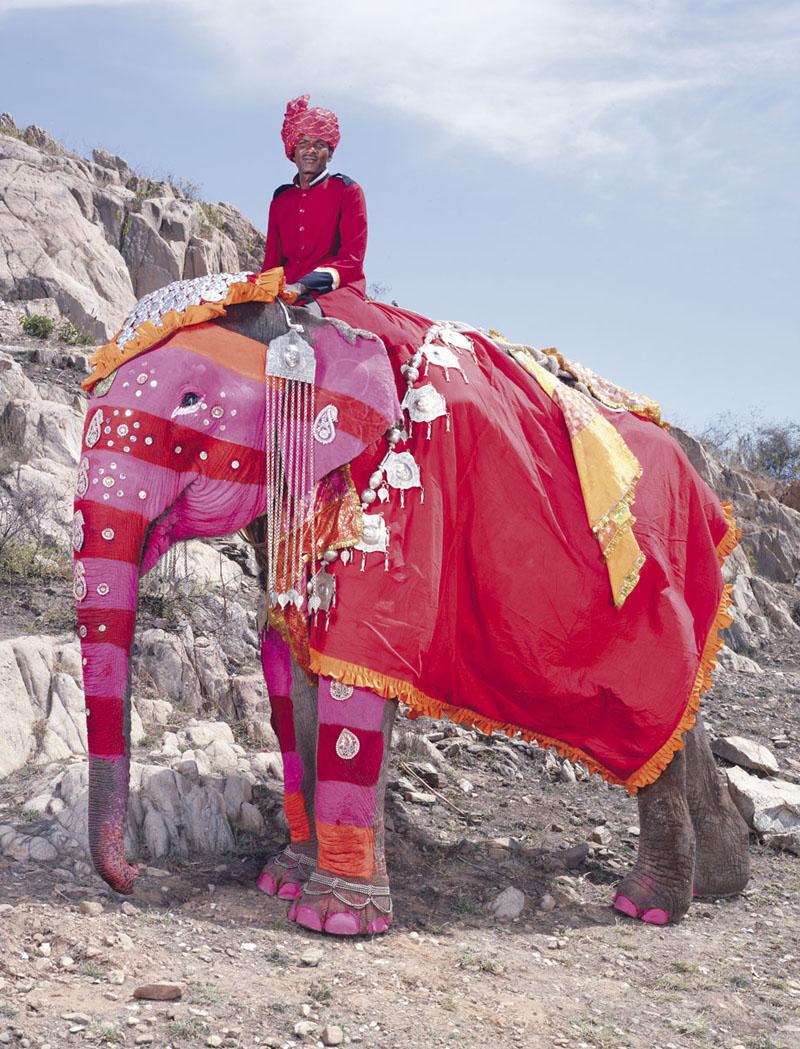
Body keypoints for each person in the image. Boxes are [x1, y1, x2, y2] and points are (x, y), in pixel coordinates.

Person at [261, 95, 425, 357]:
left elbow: (351, 260)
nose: (310, 150)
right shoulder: (281, 200)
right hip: (286, 291)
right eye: (303, 143)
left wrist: (302, 286)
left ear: (330, 153)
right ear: (293, 151)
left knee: (306, 325)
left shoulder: (347, 191)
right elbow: (272, 261)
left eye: (319, 144)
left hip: (336, 292)